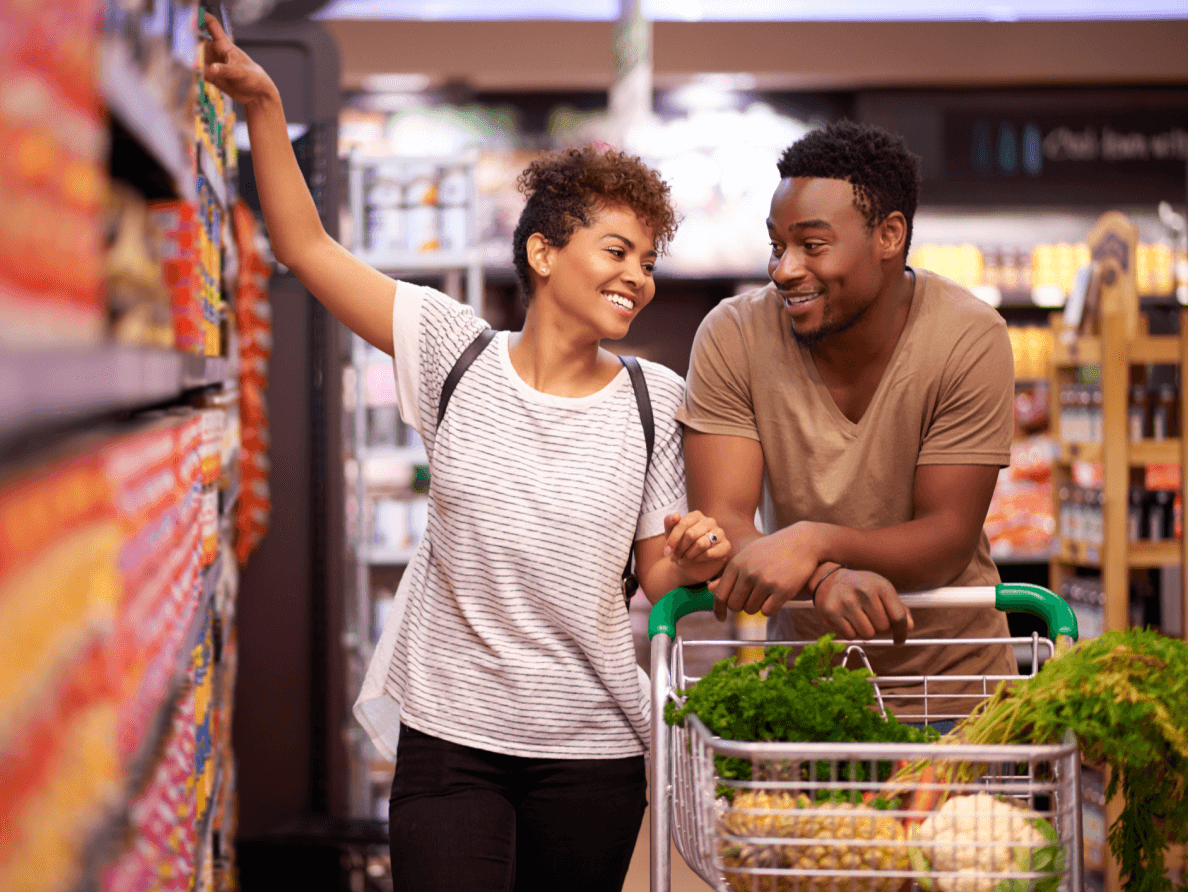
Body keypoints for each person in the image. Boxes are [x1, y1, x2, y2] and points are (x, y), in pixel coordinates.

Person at [202, 17, 731, 892]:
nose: (638, 275)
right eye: (616, 250)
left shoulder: (654, 397)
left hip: (591, 749)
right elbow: (306, 247)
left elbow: (652, 573)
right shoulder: (455, 352)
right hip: (452, 741)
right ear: (544, 252)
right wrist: (262, 102)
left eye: (647, 258)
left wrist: (694, 553)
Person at [676, 119, 1017, 722]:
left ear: (889, 235)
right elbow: (725, 521)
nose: (784, 269)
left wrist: (815, 541)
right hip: (810, 696)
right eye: (778, 246)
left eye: (812, 245)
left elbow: (945, 537)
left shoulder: (968, 335)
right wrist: (827, 575)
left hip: (958, 695)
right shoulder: (732, 335)